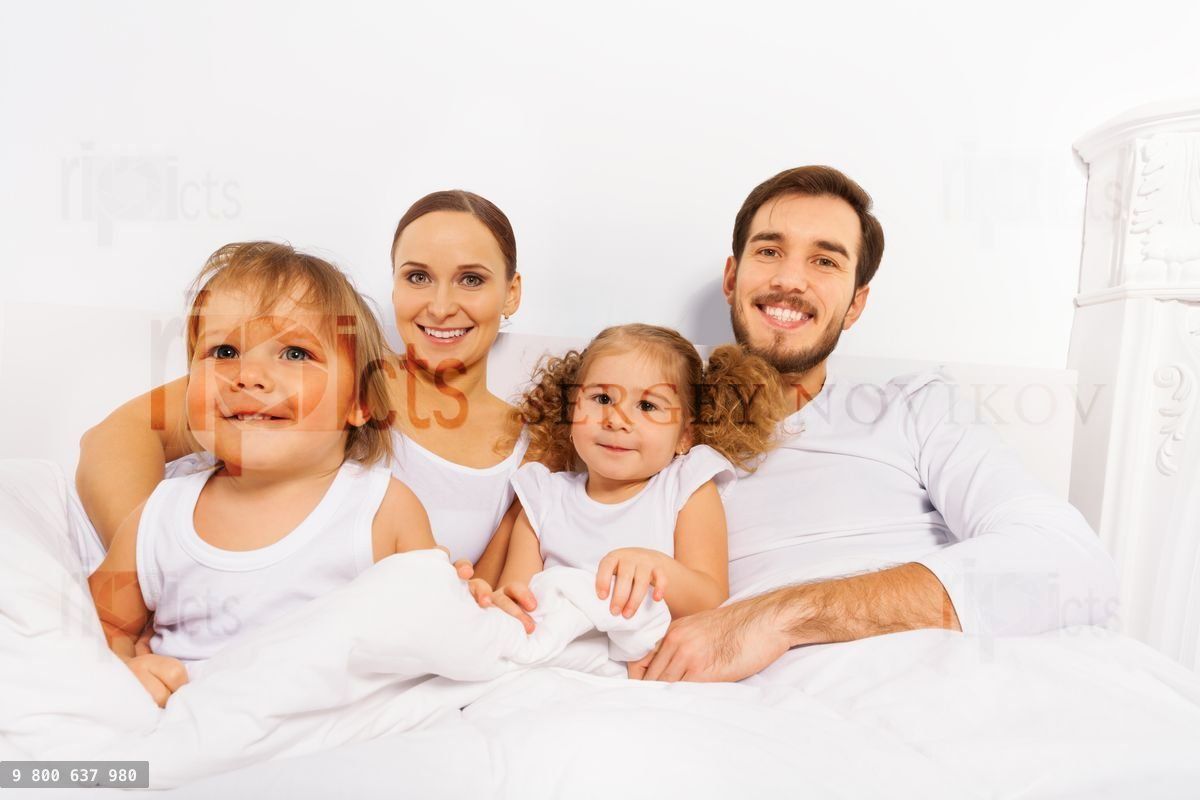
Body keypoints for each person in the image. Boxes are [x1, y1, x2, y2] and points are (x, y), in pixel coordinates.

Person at [628, 165, 1120, 683]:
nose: (790, 280)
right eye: (769, 251)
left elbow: (1069, 562)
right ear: (733, 278)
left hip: (960, 675)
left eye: (824, 261)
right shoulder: (645, 427)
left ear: (856, 302)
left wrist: (778, 618)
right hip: (780, 705)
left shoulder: (918, 407)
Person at [77, 191, 527, 588]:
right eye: (417, 277)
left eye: (472, 279)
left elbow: (478, 590)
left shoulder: (532, 445)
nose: (441, 306)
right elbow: (116, 437)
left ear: (511, 293)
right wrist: (159, 571)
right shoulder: (338, 378)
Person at [87, 242, 439, 707]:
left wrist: (463, 598)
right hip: (197, 721)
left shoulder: (382, 511)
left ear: (359, 403)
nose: (249, 375)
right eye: (224, 350)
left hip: (327, 726)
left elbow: (435, 623)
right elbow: (102, 623)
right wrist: (126, 667)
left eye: (295, 353)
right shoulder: (159, 518)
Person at [486, 324, 789, 639]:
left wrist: (658, 568)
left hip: (641, 668)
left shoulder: (684, 488)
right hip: (557, 657)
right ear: (571, 408)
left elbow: (712, 602)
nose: (616, 420)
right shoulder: (543, 499)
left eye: (647, 406)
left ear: (685, 435)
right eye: (602, 398)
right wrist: (506, 604)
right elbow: (517, 602)